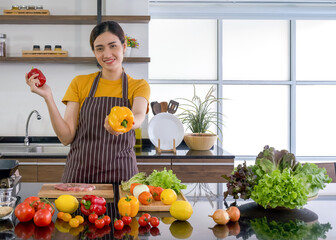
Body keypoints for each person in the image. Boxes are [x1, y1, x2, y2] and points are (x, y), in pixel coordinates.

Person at [25, 21, 150, 184]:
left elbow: (139, 116)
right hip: (79, 175)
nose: (107, 54)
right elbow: (66, 137)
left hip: (121, 177)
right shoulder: (80, 83)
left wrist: (122, 124)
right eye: (100, 48)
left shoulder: (138, 85)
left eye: (113, 46)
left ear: (124, 46)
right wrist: (48, 97)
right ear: (94, 52)